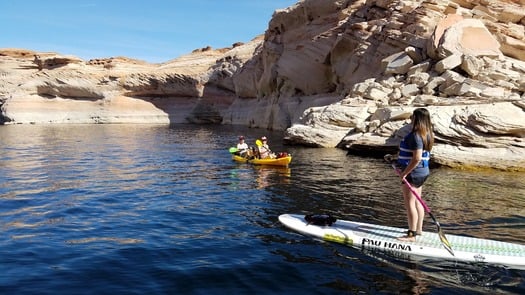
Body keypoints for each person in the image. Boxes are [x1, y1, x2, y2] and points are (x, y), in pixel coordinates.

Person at [395, 108, 434, 242]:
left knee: (410, 203)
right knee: (418, 201)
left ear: (417, 119)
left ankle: (411, 235)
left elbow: (416, 158)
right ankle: (419, 230)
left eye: (413, 116)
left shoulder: (415, 135)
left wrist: (405, 173)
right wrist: (395, 158)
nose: (411, 119)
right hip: (423, 172)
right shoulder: (427, 134)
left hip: (413, 173)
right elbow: (415, 154)